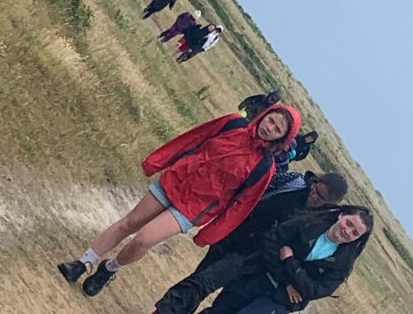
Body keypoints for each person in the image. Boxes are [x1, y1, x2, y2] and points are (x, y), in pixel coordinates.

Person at [57, 105, 302, 298]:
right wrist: (157, 161)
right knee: (129, 223)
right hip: (175, 181)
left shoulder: (264, 168)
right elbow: (193, 139)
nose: (269, 127)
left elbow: (241, 206)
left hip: (194, 208)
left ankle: (109, 269)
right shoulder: (233, 123)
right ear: (265, 115)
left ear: (281, 139)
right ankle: (82, 263)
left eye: (277, 129)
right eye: (271, 120)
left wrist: (210, 234)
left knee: (143, 239)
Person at [154, 171, 348, 313]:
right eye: (316, 190)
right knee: (198, 280)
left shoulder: (318, 221)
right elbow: (256, 191)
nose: (315, 197)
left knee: (205, 284)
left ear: (333, 203)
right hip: (233, 236)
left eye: (322, 198)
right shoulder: (294, 182)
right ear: (316, 181)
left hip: (253, 260)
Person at [197, 204, 373, 313]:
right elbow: (270, 242)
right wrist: (288, 283)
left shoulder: (342, 265)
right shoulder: (307, 222)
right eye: (349, 223)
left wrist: (290, 261)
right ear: (341, 215)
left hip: (280, 301)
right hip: (254, 275)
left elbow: (314, 290)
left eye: (355, 233)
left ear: (358, 239)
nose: (347, 231)